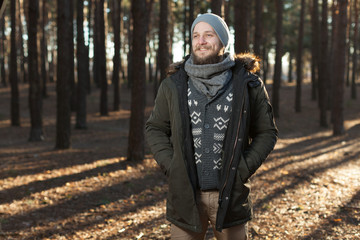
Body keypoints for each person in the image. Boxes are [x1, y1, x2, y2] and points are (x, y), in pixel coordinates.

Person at [146, 13, 278, 240]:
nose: (201, 41)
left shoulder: (247, 84)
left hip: (230, 197)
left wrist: (242, 169)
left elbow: (266, 132)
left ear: (223, 41)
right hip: (186, 197)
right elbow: (155, 128)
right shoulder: (173, 84)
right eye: (196, 35)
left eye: (209, 34)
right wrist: (173, 165)